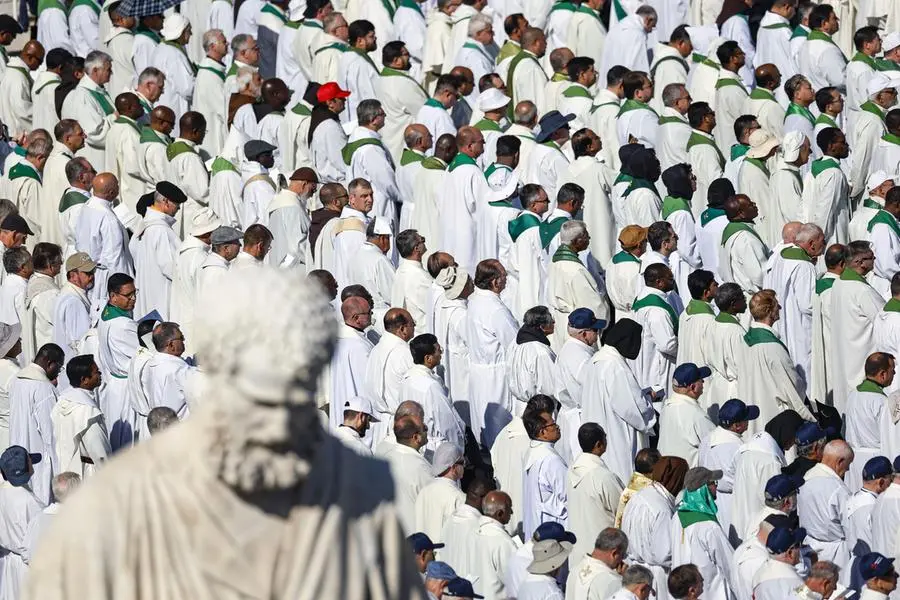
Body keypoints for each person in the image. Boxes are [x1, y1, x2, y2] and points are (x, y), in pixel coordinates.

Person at [580, 318, 656, 483]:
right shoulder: (616, 366)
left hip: (599, 426)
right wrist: (648, 402)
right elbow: (634, 408)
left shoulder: (597, 359)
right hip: (617, 434)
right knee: (622, 478)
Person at [731, 410, 805, 547]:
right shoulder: (770, 461)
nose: (793, 444)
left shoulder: (750, 448)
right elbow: (775, 502)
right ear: (785, 432)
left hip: (741, 523)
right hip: (759, 532)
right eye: (793, 438)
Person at [466, 260, 517, 449]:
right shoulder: (495, 309)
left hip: (480, 373)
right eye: (504, 276)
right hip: (496, 376)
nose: (506, 280)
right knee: (500, 429)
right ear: (495, 282)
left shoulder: (474, 300)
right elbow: (514, 342)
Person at [620, 456, 688, 598]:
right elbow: (664, 554)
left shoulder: (638, 495)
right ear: (675, 478)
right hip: (656, 577)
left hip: (633, 571)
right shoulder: (661, 509)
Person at [830, 241, 883, 415]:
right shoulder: (861, 290)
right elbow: (885, 319)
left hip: (846, 355)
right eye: (871, 257)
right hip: (862, 359)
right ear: (859, 262)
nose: (874, 259)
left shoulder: (839, 284)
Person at [670, 467, 735, 600]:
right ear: (704, 488)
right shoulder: (709, 526)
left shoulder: (677, 515)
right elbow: (729, 564)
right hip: (709, 592)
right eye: (713, 483)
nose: (716, 487)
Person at [566, 421, 625, 567]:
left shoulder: (571, 471)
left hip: (578, 550)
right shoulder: (603, 477)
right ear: (599, 444)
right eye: (605, 437)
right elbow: (623, 511)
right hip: (603, 554)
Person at [400, 333, 464, 457]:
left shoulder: (406, 378)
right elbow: (447, 423)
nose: (441, 354)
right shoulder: (430, 386)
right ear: (428, 358)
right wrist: (459, 449)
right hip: (435, 449)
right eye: (439, 351)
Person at [797, 440, 854, 573]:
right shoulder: (839, 490)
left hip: (810, 547)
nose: (848, 469)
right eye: (848, 464)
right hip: (835, 555)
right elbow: (850, 526)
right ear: (840, 461)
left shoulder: (806, 478)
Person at [51, 354, 110, 478]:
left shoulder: (62, 402)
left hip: (65, 470)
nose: (100, 374)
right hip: (88, 474)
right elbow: (99, 451)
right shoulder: (88, 411)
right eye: (96, 372)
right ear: (84, 380)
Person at [0, 446, 45, 599]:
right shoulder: (32, 503)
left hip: (8, 563)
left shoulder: (2, 493)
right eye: (30, 461)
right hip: (28, 568)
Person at [328, 296, 375, 432]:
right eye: (368, 313)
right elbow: (369, 384)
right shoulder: (359, 346)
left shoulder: (338, 340)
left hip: (343, 407)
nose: (371, 315)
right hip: (359, 413)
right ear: (356, 318)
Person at [658, 363, 716, 466]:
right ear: (693, 387)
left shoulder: (666, 408)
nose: (703, 382)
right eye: (701, 380)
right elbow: (716, 446)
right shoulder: (697, 415)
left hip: (666, 474)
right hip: (689, 478)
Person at [414, 441, 465, 543]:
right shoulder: (458, 497)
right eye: (462, 462)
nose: (465, 466)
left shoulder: (424, 491)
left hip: (424, 554)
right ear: (454, 468)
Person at [473, 490, 517, 600]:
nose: (511, 512)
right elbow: (515, 580)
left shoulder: (474, 533)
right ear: (500, 514)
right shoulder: (502, 541)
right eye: (509, 508)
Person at [752, 525, 807, 599]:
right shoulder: (796, 582)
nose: (800, 549)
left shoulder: (758, 574)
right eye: (798, 545)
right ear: (790, 553)